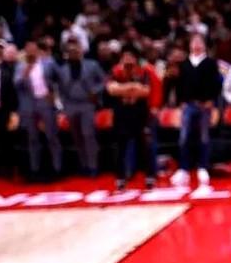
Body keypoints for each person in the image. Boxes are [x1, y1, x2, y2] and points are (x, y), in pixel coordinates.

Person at [107, 46, 162, 190]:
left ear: (135, 58)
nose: (128, 59)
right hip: (121, 114)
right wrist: (133, 87)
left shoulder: (144, 71)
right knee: (121, 147)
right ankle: (120, 179)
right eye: (125, 56)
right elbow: (111, 90)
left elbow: (145, 91)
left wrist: (123, 89)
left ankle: (149, 177)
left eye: (130, 56)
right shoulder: (115, 71)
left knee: (144, 146)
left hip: (140, 113)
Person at [172, 34, 221, 188]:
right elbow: (179, 85)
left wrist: (211, 100)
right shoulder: (184, 64)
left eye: (200, 42)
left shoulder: (210, 63)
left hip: (204, 105)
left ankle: (203, 167)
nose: (197, 44)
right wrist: (180, 102)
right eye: (194, 42)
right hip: (188, 105)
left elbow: (216, 84)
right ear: (190, 45)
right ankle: (183, 168)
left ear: (204, 45)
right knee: (184, 137)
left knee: (204, 137)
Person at [58, 37, 106, 177]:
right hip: (71, 105)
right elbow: (60, 89)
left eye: (76, 49)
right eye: (71, 50)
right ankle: (84, 165)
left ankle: (93, 166)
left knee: (88, 135)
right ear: (67, 52)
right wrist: (64, 105)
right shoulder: (62, 69)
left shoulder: (92, 65)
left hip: (87, 104)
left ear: (81, 50)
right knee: (77, 137)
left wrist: (95, 91)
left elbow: (104, 81)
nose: (74, 52)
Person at [15, 40, 63, 180]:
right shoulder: (20, 66)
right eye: (28, 49)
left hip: (45, 102)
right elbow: (17, 84)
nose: (31, 52)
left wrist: (55, 95)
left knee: (52, 136)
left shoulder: (48, 63)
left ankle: (57, 168)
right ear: (25, 51)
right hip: (29, 105)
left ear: (37, 50)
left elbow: (60, 78)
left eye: (33, 49)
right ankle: (35, 170)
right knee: (33, 138)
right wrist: (26, 72)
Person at [0, 41, 17, 178]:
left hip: (4, 110)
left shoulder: (9, 68)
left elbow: (12, 92)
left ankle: (8, 169)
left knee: (6, 140)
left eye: (0, 48)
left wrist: (13, 112)